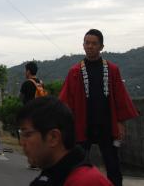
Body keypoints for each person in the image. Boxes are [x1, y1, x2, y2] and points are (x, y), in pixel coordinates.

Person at [59, 29, 139, 186]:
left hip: (107, 125)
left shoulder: (112, 69)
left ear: (101, 46)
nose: (90, 46)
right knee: (78, 165)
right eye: (87, 43)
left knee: (113, 165)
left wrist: (120, 122)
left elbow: (120, 98)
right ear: (83, 45)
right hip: (83, 124)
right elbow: (65, 100)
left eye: (94, 43)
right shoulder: (75, 72)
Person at [18, 96, 112, 186]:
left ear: (54, 137)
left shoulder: (86, 181)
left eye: (27, 135)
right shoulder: (50, 177)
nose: (21, 143)